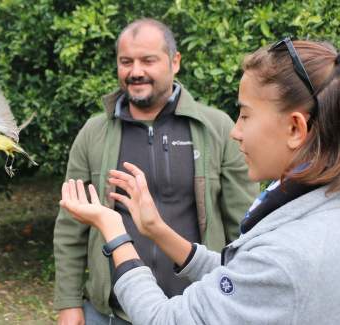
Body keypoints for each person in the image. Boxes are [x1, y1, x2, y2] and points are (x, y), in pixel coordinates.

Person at [59, 38, 340, 324]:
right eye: (126, 61)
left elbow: (166, 319)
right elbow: (244, 271)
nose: (235, 131)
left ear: (296, 129)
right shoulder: (334, 208)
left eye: (245, 115)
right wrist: (156, 229)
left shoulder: (288, 252)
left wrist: (115, 231)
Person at [53, 18, 258, 324]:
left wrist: (242, 298)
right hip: (111, 313)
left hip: (196, 309)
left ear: (175, 61)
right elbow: (70, 229)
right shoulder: (93, 133)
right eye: (126, 62)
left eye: (148, 60)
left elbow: (243, 225)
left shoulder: (216, 129)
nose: (135, 72)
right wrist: (69, 303)